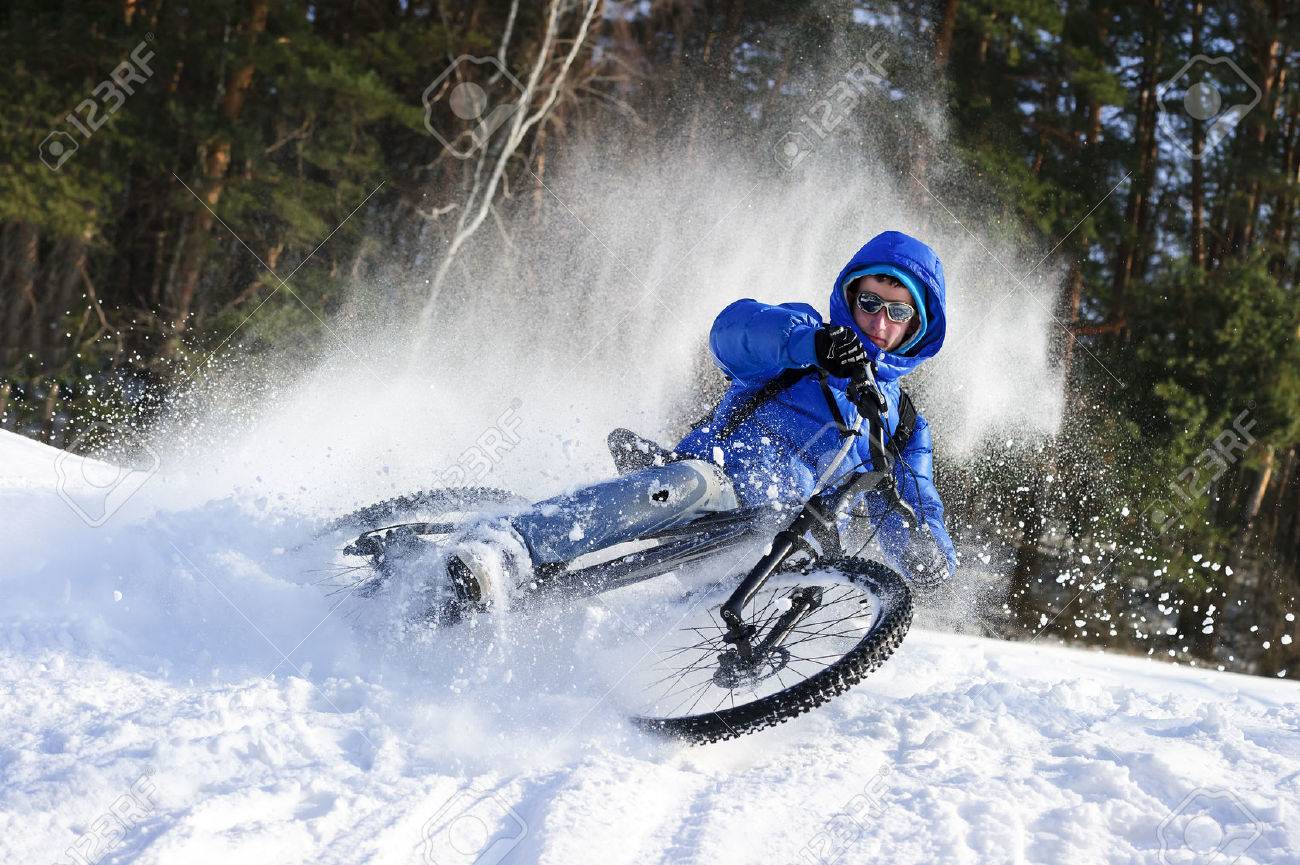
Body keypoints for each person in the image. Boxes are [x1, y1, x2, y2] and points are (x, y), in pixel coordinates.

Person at [444, 230, 957, 609]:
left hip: (787, 542)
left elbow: (911, 505)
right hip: (723, 483)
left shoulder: (905, 425)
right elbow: (733, 333)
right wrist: (812, 345)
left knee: (803, 601)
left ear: (918, 326)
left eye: (898, 312)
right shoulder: (802, 338)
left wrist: (928, 559)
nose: (878, 321)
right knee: (686, 484)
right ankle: (508, 546)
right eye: (869, 302)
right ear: (849, 297)